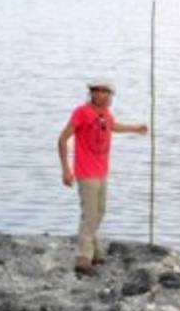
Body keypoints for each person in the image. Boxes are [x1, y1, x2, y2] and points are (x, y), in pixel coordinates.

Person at [57, 80, 148, 275]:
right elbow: (63, 138)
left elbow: (113, 126)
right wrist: (65, 169)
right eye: (100, 92)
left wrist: (135, 128)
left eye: (107, 93)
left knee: (99, 212)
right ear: (93, 94)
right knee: (89, 214)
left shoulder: (106, 113)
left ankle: (95, 252)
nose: (105, 96)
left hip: (102, 172)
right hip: (85, 172)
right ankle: (83, 258)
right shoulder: (81, 112)